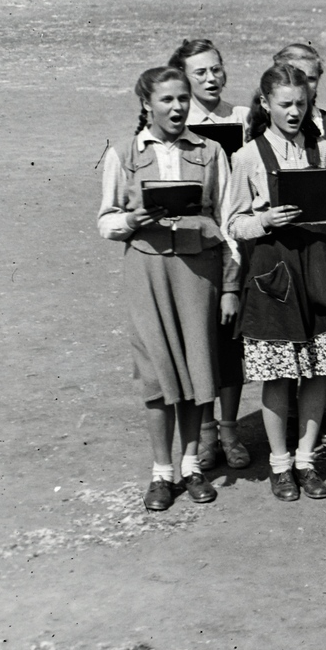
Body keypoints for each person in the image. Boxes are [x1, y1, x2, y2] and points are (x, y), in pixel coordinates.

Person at [99, 66, 237, 511]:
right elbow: (105, 219)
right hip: (148, 272)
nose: (177, 108)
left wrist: (231, 286)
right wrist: (130, 221)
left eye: (183, 99)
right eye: (167, 101)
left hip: (199, 273)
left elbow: (229, 222)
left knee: (197, 370)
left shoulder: (212, 151)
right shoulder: (124, 154)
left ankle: (192, 465)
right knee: (158, 375)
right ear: (146, 104)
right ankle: (161, 474)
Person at [224, 64, 326, 501]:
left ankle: (306, 459)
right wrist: (265, 219)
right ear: (265, 104)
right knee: (280, 370)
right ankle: (280, 463)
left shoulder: (323, 149)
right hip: (275, 272)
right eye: (285, 104)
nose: (295, 112)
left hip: (320, 263)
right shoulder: (248, 156)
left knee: (320, 367)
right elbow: (233, 222)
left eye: (301, 104)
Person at [167, 38, 251, 474]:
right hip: (193, 244)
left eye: (216, 69)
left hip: (236, 233)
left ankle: (231, 428)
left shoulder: (241, 117)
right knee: (197, 344)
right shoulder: (176, 124)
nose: (211, 78)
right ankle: (203, 435)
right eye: (199, 73)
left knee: (228, 343)